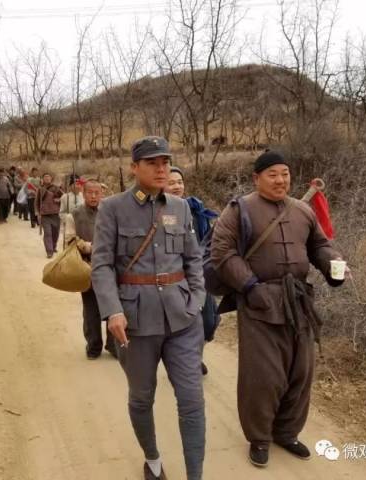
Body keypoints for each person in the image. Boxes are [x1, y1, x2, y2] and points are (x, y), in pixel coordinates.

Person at [211, 150, 346, 468]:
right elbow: (222, 251)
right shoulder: (239, 210)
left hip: (298, 300)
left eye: (285, 173)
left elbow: (319, 246)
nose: (281, 179)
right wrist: (250, 287)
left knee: (301, 371)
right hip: (259, 300)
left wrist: (333, 266)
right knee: (263, 375)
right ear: (256, 178)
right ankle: (259, 437)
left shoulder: (302, 210)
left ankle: (286, 432)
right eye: (272, 173)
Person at [92, 136, 206, 480]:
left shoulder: (179, 207)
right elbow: (101, 265)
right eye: (153, 163)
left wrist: (197, 299)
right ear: (134, 168)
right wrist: (112, 310)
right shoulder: (112, 207)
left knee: (191, 400)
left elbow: (193, 258)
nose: (161, 169)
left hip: (182, 318)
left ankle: (195, 475)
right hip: (135, 322)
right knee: (142, 397)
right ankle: (153, 458)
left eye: (165, 162)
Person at [166, 166, 220, 376]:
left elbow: (207, 241)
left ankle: (195, 355)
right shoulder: (157, 212)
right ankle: (187, 360)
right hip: (174, 277)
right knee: (181, 323)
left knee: (208, 320)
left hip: (199, 275)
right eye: (171, 183)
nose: (177, 186)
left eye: (179, 182)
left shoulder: (196, 209)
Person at [63, 179, 117, 359]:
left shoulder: (111, 212)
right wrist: (89, 247)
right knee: (91, 310)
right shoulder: (74, 215)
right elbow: (70, 240)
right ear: (83, 193)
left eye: (97, 193)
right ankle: (94, 346)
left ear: (102, 194)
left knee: (113, 306)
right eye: (89, 193)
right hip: (87, 268)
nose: (94, 196)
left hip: (111, 267)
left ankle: (113, 345)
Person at [36, 173, 64, 258]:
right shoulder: (40, 189)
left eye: (48, 177)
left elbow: (64, 197)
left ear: (51, 179)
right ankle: (49, 251)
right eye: (45, 177)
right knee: (48, 233)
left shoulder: (56, 188)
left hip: (55, 214)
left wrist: (58, 200)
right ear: (43, 179)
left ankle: (53, 246)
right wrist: (37, 213)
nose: (47, 179)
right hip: (45, 215)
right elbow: (37, 202)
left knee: (55, 233)